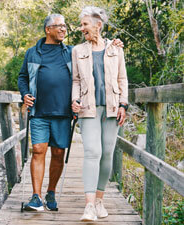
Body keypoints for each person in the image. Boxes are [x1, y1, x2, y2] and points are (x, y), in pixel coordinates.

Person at [18, 13, 123, 212]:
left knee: (58, 154)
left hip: (64, 112)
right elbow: (23, 77)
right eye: (59, 26)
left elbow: (93, 58)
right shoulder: (32, 53)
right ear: (47, 29)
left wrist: (114, 44)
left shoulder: (71, 52)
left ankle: (51, 192)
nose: (64, 29)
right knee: (38, 150)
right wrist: (25, 94)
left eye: (65, 26)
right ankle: (36, 197)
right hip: (39, 111)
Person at [71, 6, 128, 221]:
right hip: (88, 108)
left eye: (85, 24)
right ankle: (88, 206)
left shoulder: (116, 49)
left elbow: (122, 79)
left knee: (107, 154)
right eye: (82, 24)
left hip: (113, 108)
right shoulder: (78, 50)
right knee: (92, 152)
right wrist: (74, 100)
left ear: (98, 25)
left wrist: (124, 104)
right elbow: (76, 80)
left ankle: (100, 201)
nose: (82, 28)